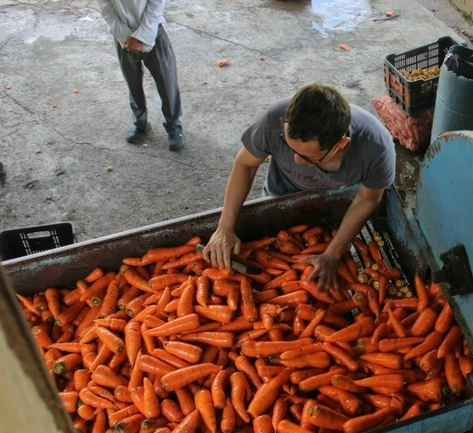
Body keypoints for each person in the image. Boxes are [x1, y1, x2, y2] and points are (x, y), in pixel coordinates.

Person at [202, 83, 396, 292]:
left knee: (327, 267)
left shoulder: (376, 148)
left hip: (338, 201)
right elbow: (245, 165)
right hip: (281, 190)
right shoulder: (270, 121)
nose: (295, 159)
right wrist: (225, 228)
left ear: (340, 144)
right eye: (288, 145)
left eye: (307, 157)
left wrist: (332, 254)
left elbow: (367, 199)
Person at [97, 0, 185, 151]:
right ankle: (140, 123)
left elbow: (156, 4)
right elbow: (107, 10)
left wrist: (141, 36)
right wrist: (126, 37)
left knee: (166, 82)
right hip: (124, 37)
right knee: (133, 83)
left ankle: (174, 127)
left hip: (152, 30)